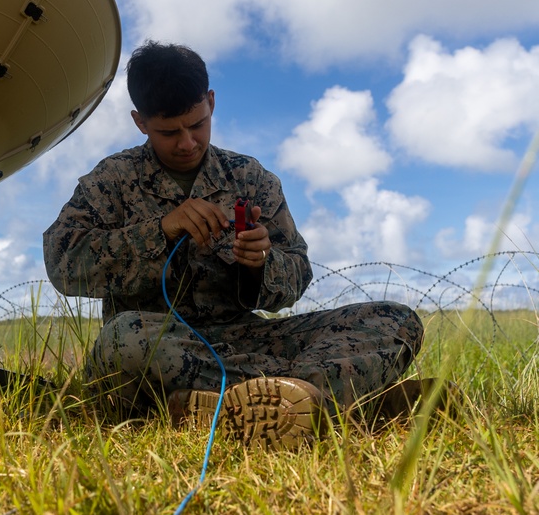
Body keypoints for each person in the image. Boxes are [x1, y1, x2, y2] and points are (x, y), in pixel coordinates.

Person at [43, 40, 428, 450]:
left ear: (211, 102)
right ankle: (333, 403)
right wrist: (161, 231)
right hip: (159, 349)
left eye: (198, 124)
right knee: (124, 336)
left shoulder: (250, 178)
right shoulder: (112, 180)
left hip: (247, 340)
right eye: (169, 132)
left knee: (396, 319)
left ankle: (232, 405)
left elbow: (297, 272)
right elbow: (63, 260)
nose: (188, 142)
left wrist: (262, 263)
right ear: (140, 122)